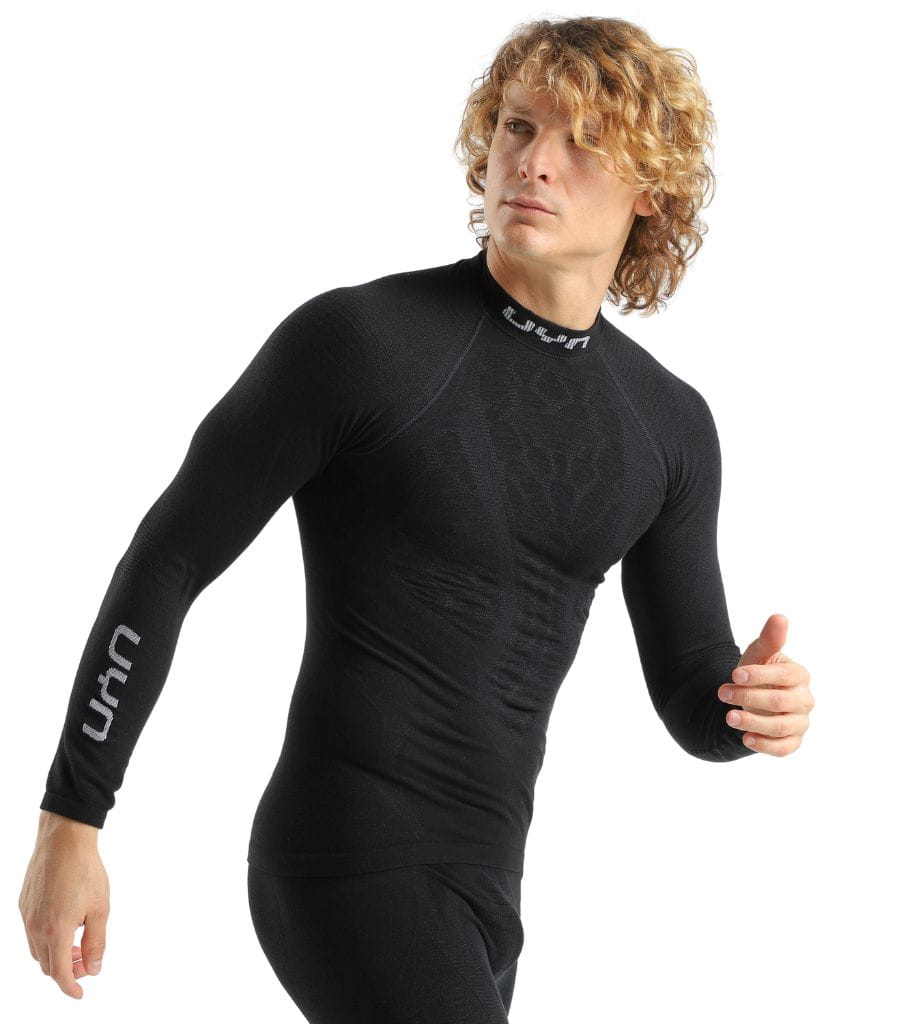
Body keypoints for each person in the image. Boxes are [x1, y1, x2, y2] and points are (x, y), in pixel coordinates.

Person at [19, 15, 814, 1022]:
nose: (534, 161)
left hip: (488, 885)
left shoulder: (667, 426)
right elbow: (168, 559)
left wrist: (749, 707)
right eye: (518, 127)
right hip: (342, 855)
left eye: (582, 141)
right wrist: (72, 817)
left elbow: (692, 690)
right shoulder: (362, 342)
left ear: (651, 187)